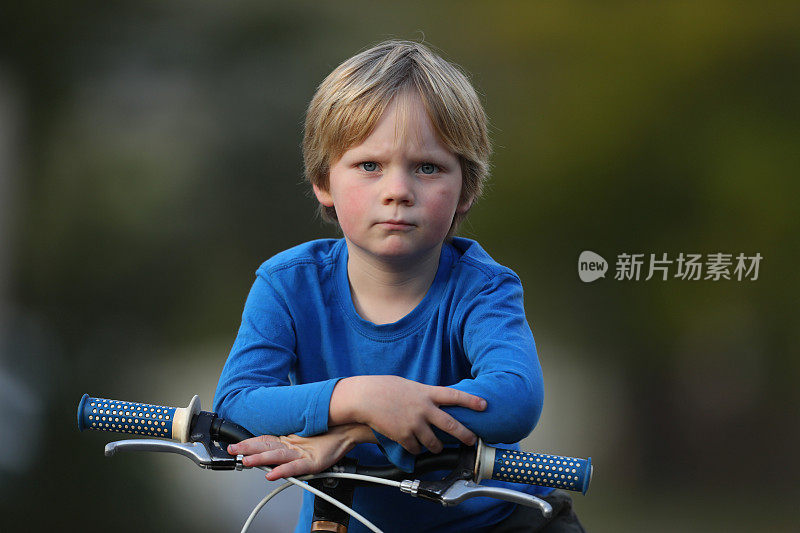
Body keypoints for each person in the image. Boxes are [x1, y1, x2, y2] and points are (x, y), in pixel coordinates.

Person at [213, 40, 584, 532]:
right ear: (324, 180)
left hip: (496, 522)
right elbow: (237, 404)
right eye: (369, 166)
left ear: (466, 189)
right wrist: (359, 395)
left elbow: (513, 401)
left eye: (427, 167)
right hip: (342, 522)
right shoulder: (287, 284)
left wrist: (356, 431)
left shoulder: (482, 288)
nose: (397, 191)